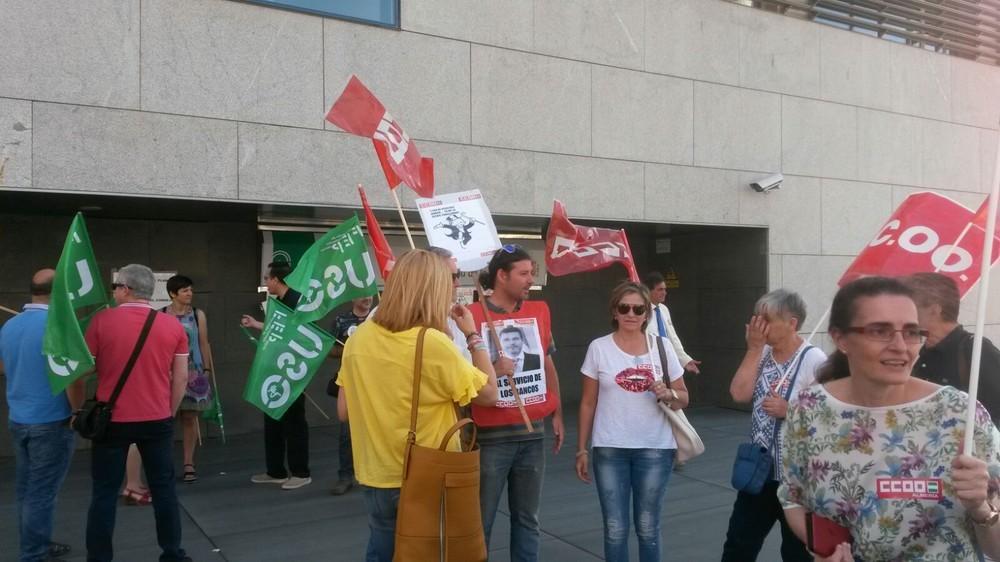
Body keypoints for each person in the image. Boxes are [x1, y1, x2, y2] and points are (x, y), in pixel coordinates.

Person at [780, 276, 1000, 561]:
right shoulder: (808, 409)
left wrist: (981, 508)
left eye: (911, 332)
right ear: (840, 338)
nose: (900, 346)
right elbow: (794, 498)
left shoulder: (961, 414)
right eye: (880, 331)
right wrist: (825, 549)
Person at [336, 249, 498, 561]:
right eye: (447, 283)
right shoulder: (432, 342)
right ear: (432, 290)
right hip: (427, 475)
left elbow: (343, 411)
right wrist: (473, 336)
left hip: (374, 473)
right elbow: (489, 394)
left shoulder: (359, 338)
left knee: (382, 551)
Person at [76, 264, 191, 562]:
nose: (114, 292)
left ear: (126, 289)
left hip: (110, 421)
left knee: (103, 493)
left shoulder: (101, 322)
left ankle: (99, 558)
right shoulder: (172, 326)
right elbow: (180, 378)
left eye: (116, 287)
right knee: (164, 491)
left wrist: (76, 409)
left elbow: (81, 371)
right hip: (157, 420)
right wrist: (169, 412)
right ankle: (172, 553)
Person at [575, 281, 688, 562]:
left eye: (639, 309)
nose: (631, 314)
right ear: (614, 311)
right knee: (615, 529)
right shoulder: (598, 348)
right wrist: (581, 448)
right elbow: (588, 402)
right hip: (610, 447)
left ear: (647, 314)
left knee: (648, 527)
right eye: (624, 307)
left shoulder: (661, 347)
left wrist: (669, 392)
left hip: (655, 448)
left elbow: (684, 397)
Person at [471, 245, 564, 561]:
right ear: (502, 275)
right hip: (490, 439)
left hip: (532, 433)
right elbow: (460, 379)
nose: (530, 281)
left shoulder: (539, 313)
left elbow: (548, 365)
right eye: (524, 274)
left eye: (531, 274)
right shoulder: (471, 318)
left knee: (528, 519)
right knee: (479, 523)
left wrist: (557, 413)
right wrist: (494, 371)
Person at [722, 289, 827, 561]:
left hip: (797, 479)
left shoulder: (814, 360)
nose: (759, 326)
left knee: (796, 553)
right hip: (760, 473)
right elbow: (739, 393)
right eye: (756, 318)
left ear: (792, 323)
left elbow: (827, 417)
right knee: (738, 545)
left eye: (766, 319)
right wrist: (754, 349)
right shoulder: (763, 353)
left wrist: (789, 410)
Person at [1, 269, 77, 562]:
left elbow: (3, 366)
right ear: (59, 292)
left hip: (19, 419)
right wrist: (76, 411)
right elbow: (73, 378)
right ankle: (33, 553)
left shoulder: (10, 325)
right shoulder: (59, 327)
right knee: (41, 493)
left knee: (26, 490)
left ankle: (36, 544)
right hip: (51, 421)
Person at [241, 260, 311, 490]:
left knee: (294, 422)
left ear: (277, 279)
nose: (265, 282)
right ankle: (276, 470)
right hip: (274, 369)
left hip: (291, 370)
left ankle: (300, 472)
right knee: (272, 419)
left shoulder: (298, 300)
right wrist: (256, 324)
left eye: (267, 278)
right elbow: (276, 329)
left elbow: (300, 333)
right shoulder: (277, 301)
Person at [904, 272, 1000, 420]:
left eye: (910, 305)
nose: (902, 313)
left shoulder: (975, 350)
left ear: (934, 310)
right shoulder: (920, 351)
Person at [163, 274, 215, 484]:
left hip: (194, 371)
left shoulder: (197, 314)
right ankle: (164, 462)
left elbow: (203, 343)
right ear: (173, 293)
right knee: (165, 418)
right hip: (168, 372)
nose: (189, 294)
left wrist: (207, 369)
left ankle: (188, 462)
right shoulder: (162, 314)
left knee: (190, 417)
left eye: (191, 290)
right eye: (185, 290)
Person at [327, 295, 373, 495]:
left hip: (375, 383)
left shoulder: (378, 317)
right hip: (350, 382)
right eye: (363, 295)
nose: (368, 298)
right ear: (353, 297)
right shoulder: (340, 320)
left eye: (371, 294)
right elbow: (329, 349)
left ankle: (372, 474)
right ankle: (345, 476)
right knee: (347, 433)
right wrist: (348, 349)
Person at [643, 271, 701, 374]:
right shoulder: (640, 311)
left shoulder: (664, 309)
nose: (664, 293)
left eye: (665, 289)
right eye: (660, 289)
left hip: (668, 361)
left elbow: (672, 337)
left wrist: (685, 360)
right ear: (648, 291)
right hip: (649, 363)